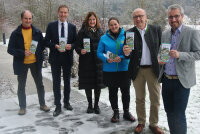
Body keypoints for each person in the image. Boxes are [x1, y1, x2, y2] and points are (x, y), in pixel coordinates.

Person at [158, 4, 200, 134]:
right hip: (166, 80)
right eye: (170, 17)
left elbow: (198, 53)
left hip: (182, 81)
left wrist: (180, 55)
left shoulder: (192, 32)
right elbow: (161, 52)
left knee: (179, 114)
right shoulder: (164, 34)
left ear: (182, 16)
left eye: (176, 16)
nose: (173, 19)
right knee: (169, 112)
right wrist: (159, 58)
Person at [123, 8, 163, 134]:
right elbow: (127, 54)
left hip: (153, 70)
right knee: (140, 98)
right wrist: (126, 53)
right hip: (137, 70)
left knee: (155, 99)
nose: (138, 19)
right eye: (135, 17)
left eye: (140, 16)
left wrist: (163, 57)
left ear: (146, 17)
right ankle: (141, 122)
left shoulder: (156, 29)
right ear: (133, 19)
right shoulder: (129, 33)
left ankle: (154, 124)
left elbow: (162, 47)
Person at [7, 10, 50, 115]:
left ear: (32, 19)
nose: (28, 20)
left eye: (30, 18)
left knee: (40, 85)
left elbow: (43, 44)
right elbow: (10, 49)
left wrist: (51, 39)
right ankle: (22, 107)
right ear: (22, 19)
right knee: (21, 86)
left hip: (35, 62)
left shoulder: (37, 32)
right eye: (26, 18)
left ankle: (42, 104)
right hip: (21, 64)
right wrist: (22, 52)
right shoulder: (15, 33)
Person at [97, 17, 135, 123]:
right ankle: (116, 112)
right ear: (109, 26)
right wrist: (106, 59)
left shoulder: (127, 36)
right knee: (112, 92)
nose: (113, 26)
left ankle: (126, 112)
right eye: (111, 25)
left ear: (119, 24)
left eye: (115, 24)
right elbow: (99, 53)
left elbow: (131, 51)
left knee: (125, 92)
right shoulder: (103, 38)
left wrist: (122, 57)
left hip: (124, 68)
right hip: (109, 70)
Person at [45, 5, 76, 117]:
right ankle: (58, 106)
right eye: (61, 12)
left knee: (67, 82)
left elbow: (76, 42)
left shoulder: (72, 27)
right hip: (55, 58)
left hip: (67, 58)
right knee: (56, 83)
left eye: (65, 12)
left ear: (68, 13)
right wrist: (55, 46)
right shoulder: (51, 26)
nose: (63, 14)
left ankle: (66, 102)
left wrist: (71, 46)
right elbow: (46, 42)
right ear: (58, 12)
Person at [75, 12, 104, 114]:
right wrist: (80, 50)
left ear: (96, 21)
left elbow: (104, 46)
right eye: (90, 20)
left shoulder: (100, 32)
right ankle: (90, 105)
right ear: (87, 21)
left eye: (94, 19)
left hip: (98, 62)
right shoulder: (82, 32)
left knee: (98, 84)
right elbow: (77, 46)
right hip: (86, 62)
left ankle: (96, 105)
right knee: (88, 84)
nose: (92, 21)